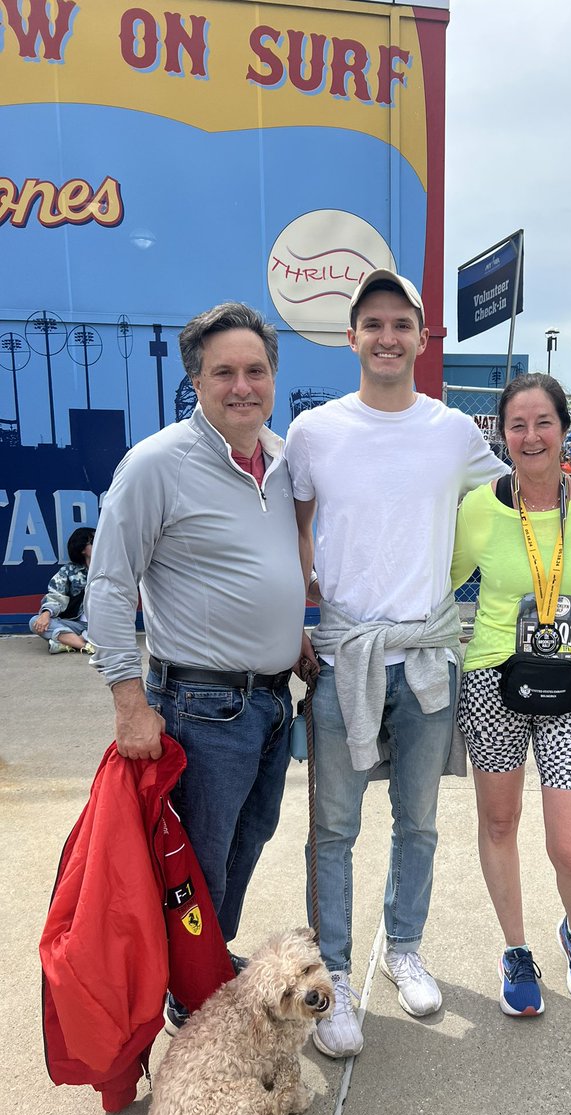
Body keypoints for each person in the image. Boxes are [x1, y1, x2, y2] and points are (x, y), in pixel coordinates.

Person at [284, 269, 506, 1058]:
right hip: (347, 653)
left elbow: (514, 505)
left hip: (427, 656)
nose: (387, 337)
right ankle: (334, 974)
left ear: (422, 337)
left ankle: (404, 947)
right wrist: (310, 597)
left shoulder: (452, 431)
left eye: (401, 324)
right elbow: (294, 524)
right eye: (372, 323)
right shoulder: (314, 431)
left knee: (418, 822)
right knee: (333, 829)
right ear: (352, 338)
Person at [86, 301, 306, 1030]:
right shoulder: (158, 465)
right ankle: (191, 996)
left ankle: (207, 961)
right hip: (203, 709)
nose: (242, 385)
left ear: (273, 376)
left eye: (256, 370)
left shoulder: (279, 460)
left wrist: (291, 638)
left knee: (248, 840)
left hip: (273, 702)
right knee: (198, 861)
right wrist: (127, 700)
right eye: (224, 373)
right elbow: (111, 584)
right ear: (196, 383)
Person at [451, 373, 571, 1017]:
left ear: (564, 428)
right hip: (494, 680)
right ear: (501, 434)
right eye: (516, 424)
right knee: (499, 823)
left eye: (542, 421)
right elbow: (437, 578)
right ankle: (515, 949)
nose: (530, 435)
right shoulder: (480, 508)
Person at [30, 527, 96, 654]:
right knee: (34, 622)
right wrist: (46, 613)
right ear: (82, 549)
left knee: (114, 628)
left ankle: (66, 643)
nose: (100, 544)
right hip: (76, 625)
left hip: (103, 625)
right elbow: (56, 594)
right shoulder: (69, 571)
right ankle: (84, 644)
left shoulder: (111, 569)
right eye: (93, 541)